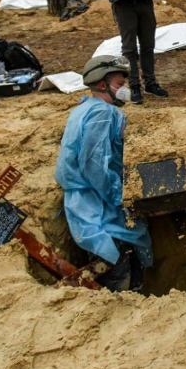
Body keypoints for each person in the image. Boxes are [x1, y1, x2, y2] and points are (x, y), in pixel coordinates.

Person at [55, 55, 152, 292]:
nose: (124, 91)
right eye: (119, 85)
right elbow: (93, 164)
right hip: (95, 203)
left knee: (125, 256)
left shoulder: (83, 109)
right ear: (102, 84)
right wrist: (118, 196)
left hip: (88, 198)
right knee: (116, 264)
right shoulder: (103, 113)